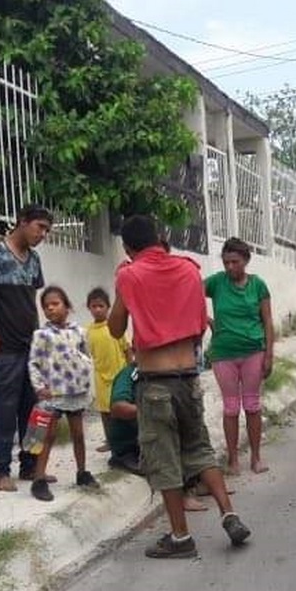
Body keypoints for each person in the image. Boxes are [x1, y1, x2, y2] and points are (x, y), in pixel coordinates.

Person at [109, 215, 252, 558]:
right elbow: (199, 325)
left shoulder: (129, 274)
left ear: (128, 247)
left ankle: (179, 538)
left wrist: (123, 291)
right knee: (199, 448)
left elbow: (115, 329)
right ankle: (229, 513)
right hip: (189, 377)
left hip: (155, 381)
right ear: (160, 239)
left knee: (164, 459)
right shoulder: (189, 269)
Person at [0, 205, 52, 492]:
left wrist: (42, 344)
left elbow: (32, 302)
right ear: (22, 221)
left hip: (31, 349)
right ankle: (0, 471)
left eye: (46, 230)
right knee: (3, 412)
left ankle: (30, 466)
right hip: (4, 349)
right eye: (39, 227)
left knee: (34, 411)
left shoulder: (34, 259)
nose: (43, 234)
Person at [205, 237, 274, 475]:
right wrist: (206, 320)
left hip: (254, 351)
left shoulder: (258, 285)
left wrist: (269, 355)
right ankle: (233, 460)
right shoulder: (216, 283)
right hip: (223, 353)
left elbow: (267, 320)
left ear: (245, 260)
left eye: (234, 262)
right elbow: (189, 292)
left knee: (252, 405)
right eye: (226, 263)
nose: (230, 267)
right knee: (231, 407)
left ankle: (256, 457)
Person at [105, 355, 210, 512]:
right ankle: (184, 495)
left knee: (192, 435)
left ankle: (199, 483)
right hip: (132, 446)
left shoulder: (164, 373)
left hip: (150, 435)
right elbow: (118, 407)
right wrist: (150, 411)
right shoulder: (129, 374)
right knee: (167, 456)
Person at [27, 286, 100, 501]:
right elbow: (33, 362)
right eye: (46, 306)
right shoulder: (41, 335)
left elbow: (86, 356)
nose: (50, 309)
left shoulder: (79, 331)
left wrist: (86, 378)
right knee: (46, 436)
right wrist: (40, 387)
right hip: (53, 394)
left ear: (67, 306)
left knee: (78, 435)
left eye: (55, 304)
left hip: (76, 392)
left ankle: (82, 472)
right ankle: (38, 479)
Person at [85, 286, 130, 454]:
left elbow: (127, 348)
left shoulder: (114, 326)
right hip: (100, 377)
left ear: (108, 307)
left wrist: (130, 368)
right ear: (89, 308)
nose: (97, 309)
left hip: (119, 375)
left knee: (121, 409)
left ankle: (126, 439)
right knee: (105, 412)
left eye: (101, 306)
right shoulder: (88, 331)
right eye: (94, 306)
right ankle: (110, 440)